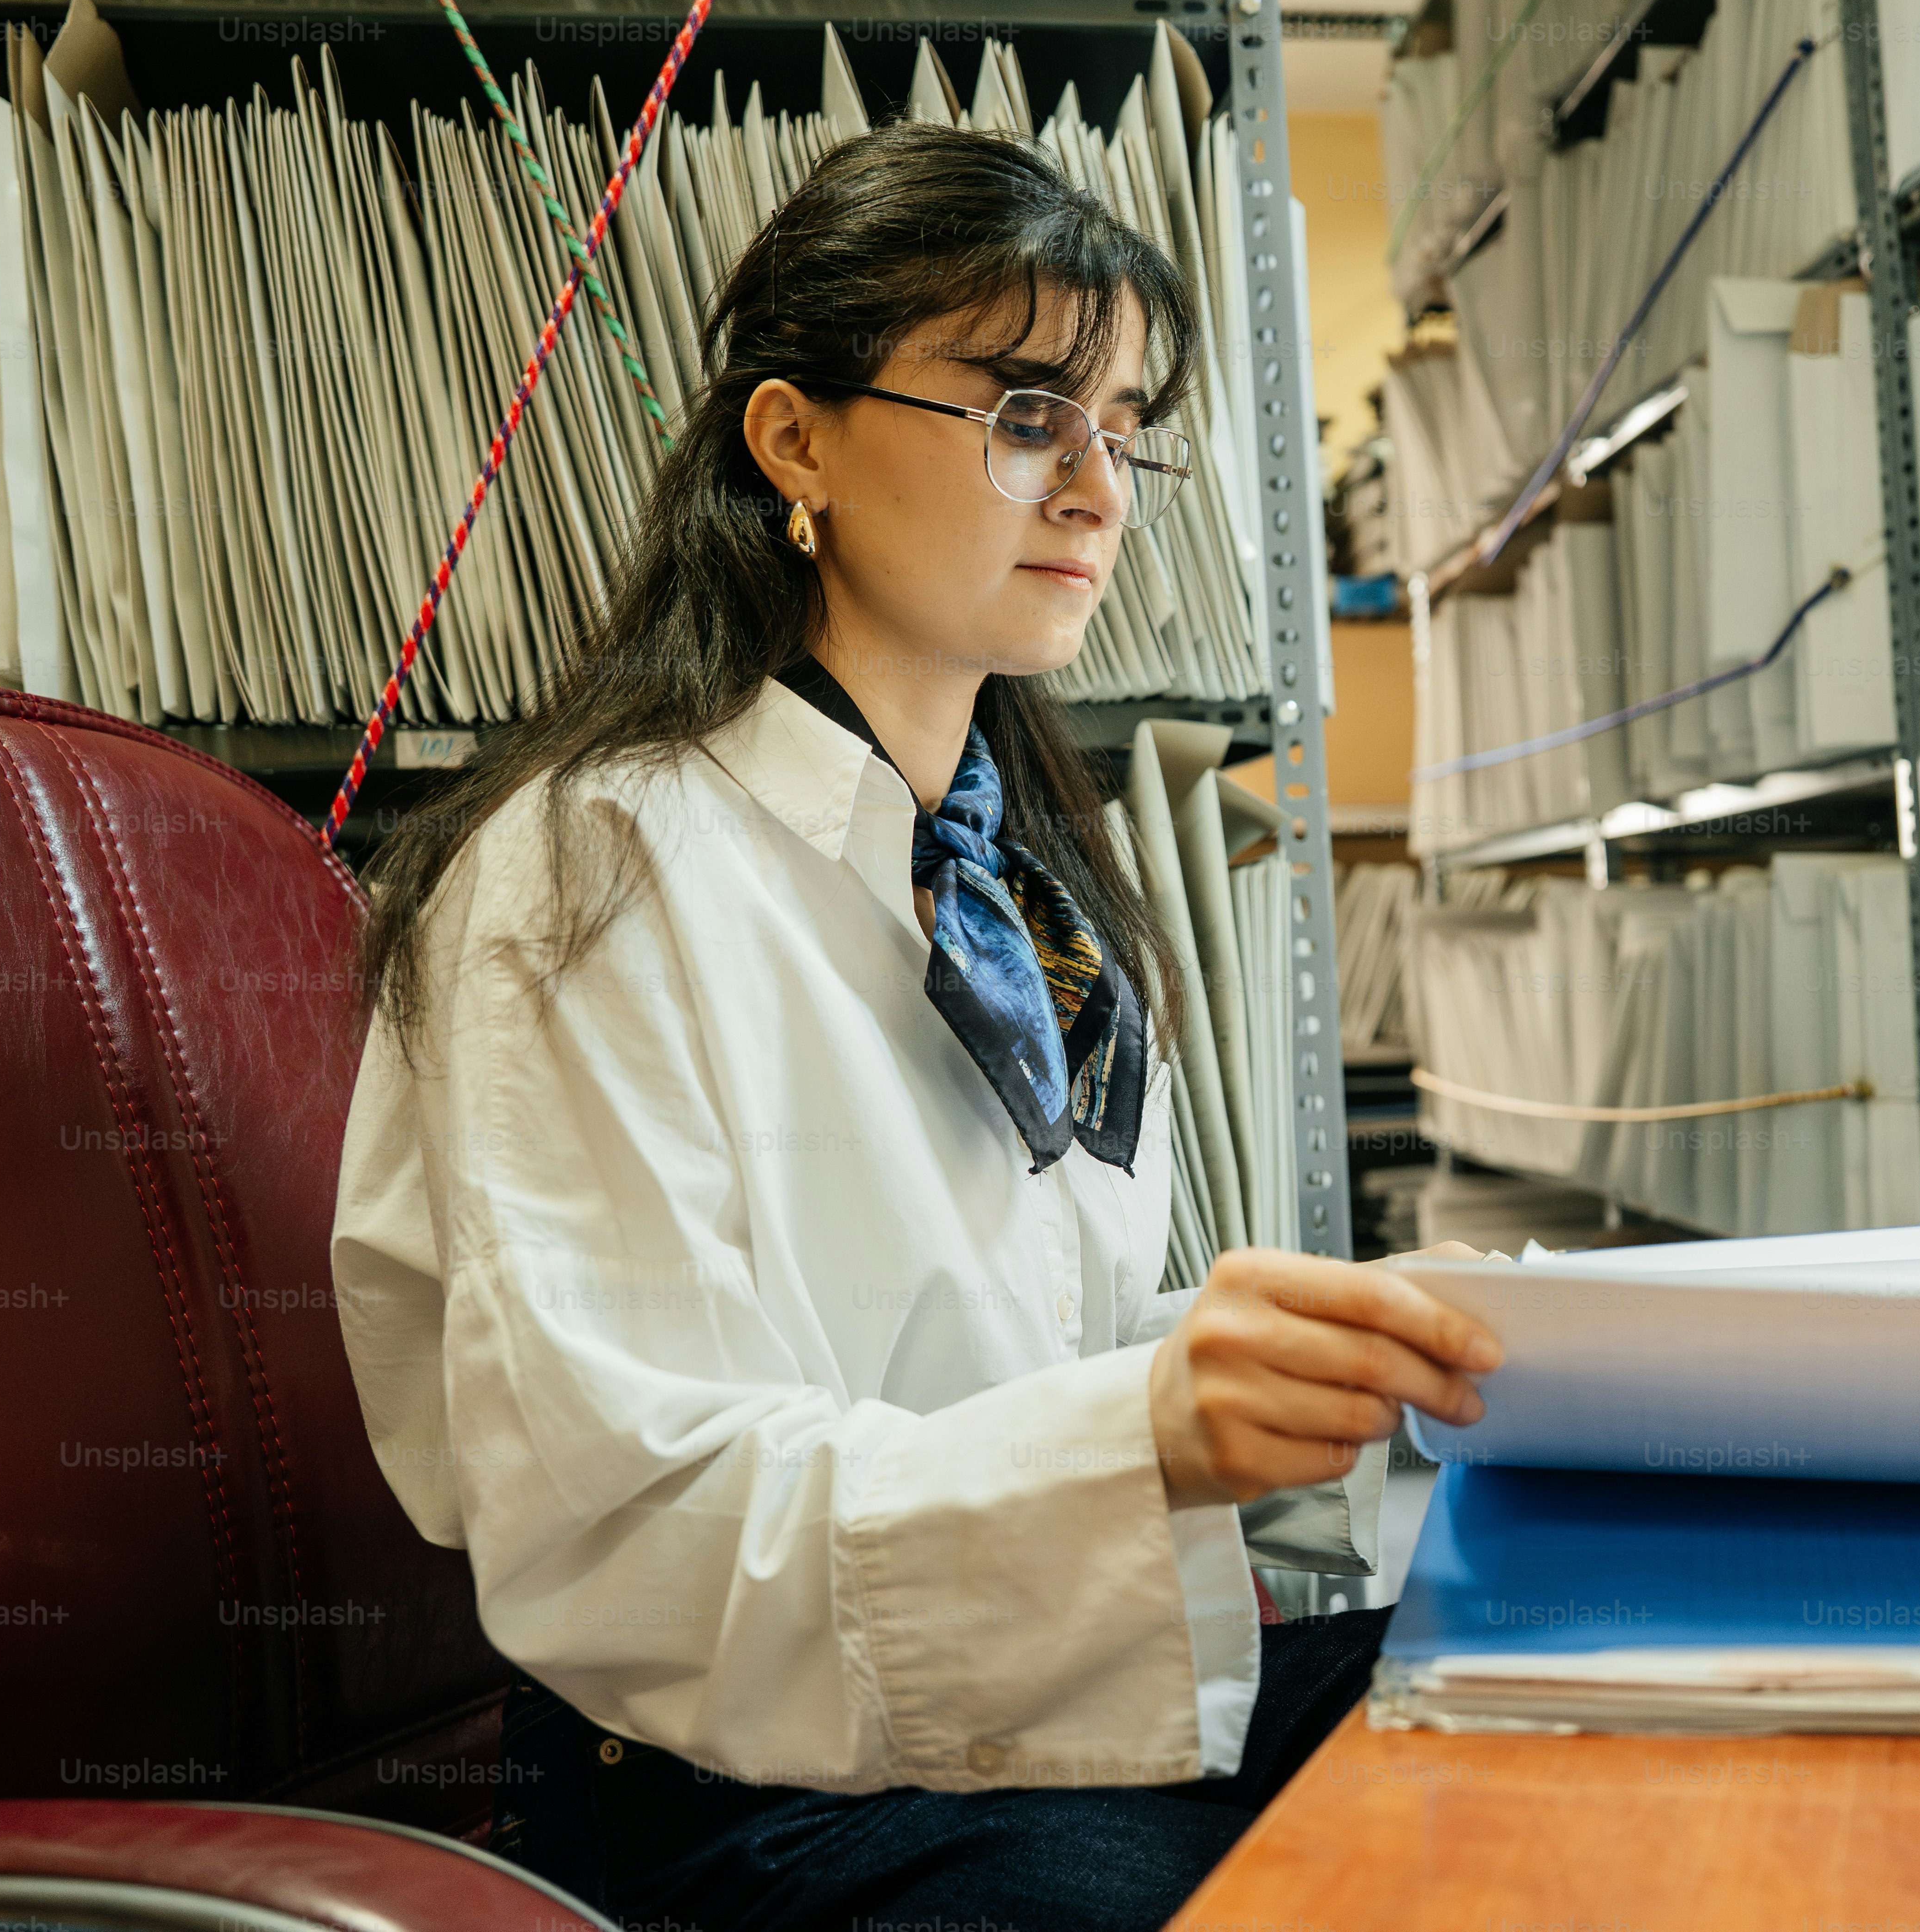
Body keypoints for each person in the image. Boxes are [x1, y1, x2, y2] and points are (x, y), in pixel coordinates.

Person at [328, 120, 1504, 1932]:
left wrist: (1306, 1379)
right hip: (745, 1798)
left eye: (1125, 430)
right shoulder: (590, 877)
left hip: (1036, 1713)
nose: (1100, 492)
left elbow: (1018, 1348)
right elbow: (626, 1525)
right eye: (1029, 412)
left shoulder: (1030, 883)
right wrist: (1150, 1433)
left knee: (1566, 1697)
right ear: (795, 437)